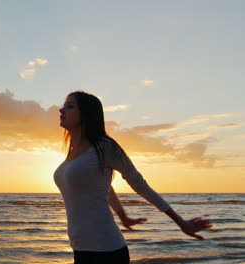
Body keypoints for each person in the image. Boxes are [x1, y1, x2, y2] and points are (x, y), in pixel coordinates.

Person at [53, 91, 212, 264]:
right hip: (80, 250)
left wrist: (181, 223)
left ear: (86, 114)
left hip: (106, 251)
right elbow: (101, 186)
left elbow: (139, 185)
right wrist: (123, 216)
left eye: (69, 106)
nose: (62, 110)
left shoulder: (105, 146)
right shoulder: (71, 154)